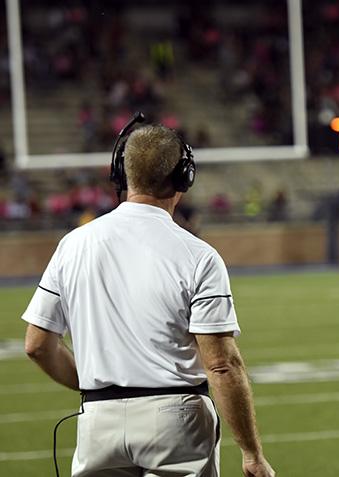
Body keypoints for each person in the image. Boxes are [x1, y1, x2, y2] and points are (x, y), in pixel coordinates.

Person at [21, 123, 275, 477]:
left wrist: (97, 387)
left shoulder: (73, 245)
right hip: (175, 419)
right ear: (184, 177)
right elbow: (221, 365)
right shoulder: (198, 255)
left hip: (98, 420)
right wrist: (252, 453)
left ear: (121, 175)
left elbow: (36, 345)